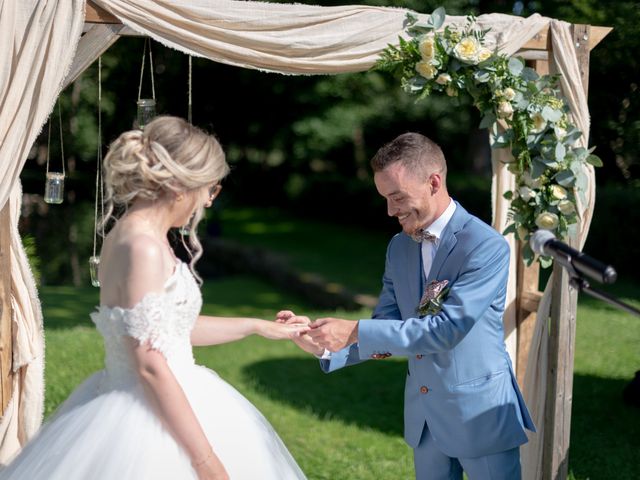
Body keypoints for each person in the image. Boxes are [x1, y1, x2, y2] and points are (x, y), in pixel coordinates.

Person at [0, 116, 308, 480]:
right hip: (147, 414)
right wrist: (206, 461)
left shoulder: (133, 235)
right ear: (180, 186)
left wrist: (258, 325)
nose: (206, 203)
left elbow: (168, 330)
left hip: (153, 395)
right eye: (208, 190)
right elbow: (149, 363)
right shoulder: (142, 247)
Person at [279, 132, 535, 480]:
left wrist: (353, 330)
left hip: (480, 414)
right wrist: (327, 346)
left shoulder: (485, 246)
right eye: (385, 198)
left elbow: (446, 330)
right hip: (425, 419)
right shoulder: (399, 247)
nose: (389, 210)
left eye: (396, 196)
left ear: (433, 182)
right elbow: (388, 323)